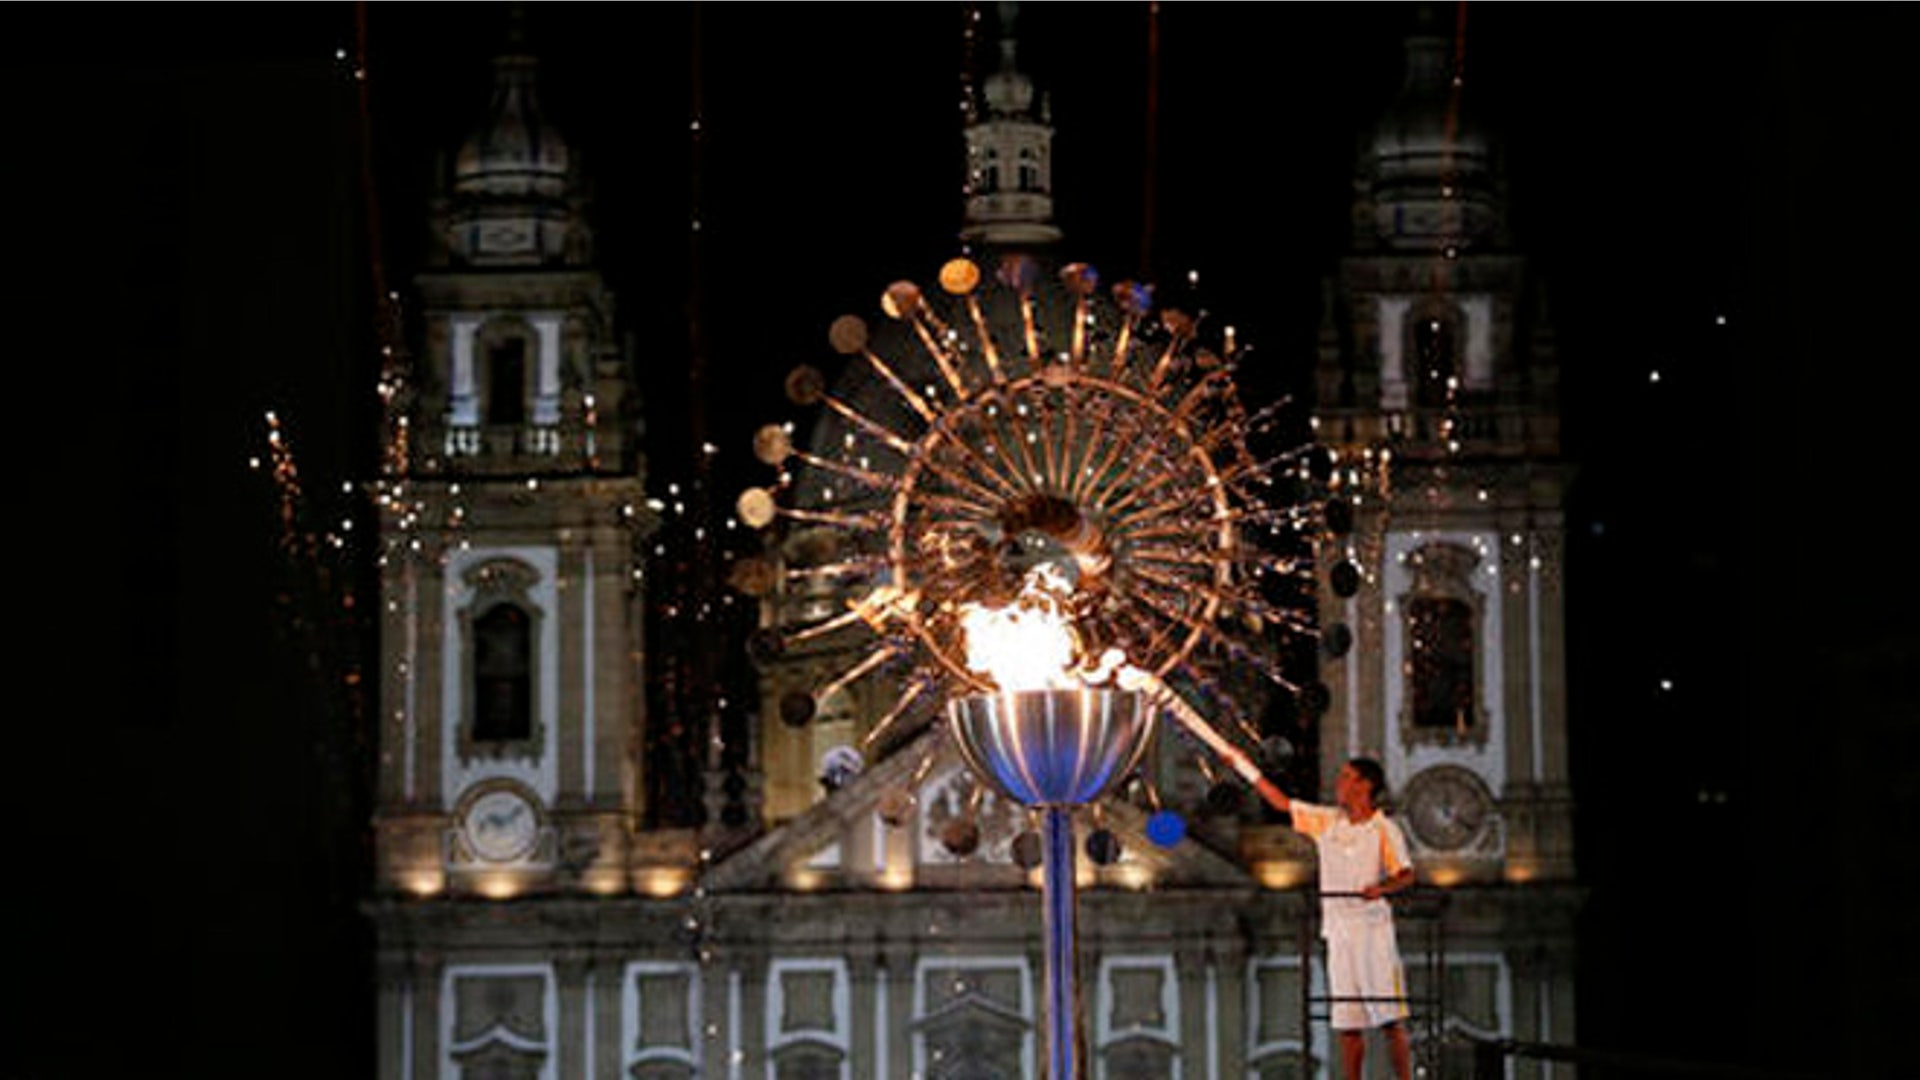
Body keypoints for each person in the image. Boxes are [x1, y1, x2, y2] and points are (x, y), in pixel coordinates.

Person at [1268, 757, 1415, 1080]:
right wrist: (1243, 768)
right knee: (1348, 1023)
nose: (1339, 783)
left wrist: (1381, 888)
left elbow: (1405, 874)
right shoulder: (1327, 821)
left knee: (1390, 1019)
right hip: (1338, 931)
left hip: (1372, 931)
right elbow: (1280, 803)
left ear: (1364, 785)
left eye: (1346, 777)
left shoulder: (1383, 828)